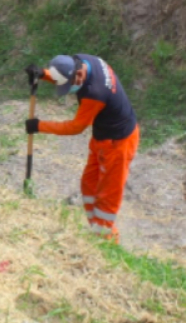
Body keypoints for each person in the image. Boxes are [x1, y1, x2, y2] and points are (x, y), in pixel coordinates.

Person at [24, 54, 140, 241]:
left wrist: (39, 126)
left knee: (106, 198)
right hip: (101, 138)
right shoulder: (84, 61)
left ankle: (107, 243)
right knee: (89, 186)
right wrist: (43, 74)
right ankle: (96, 232)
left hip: (118, 144)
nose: (69, 90)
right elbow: (65, 73)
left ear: (79, 75)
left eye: (69, 85)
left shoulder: (96, 93)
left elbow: (76, 127)